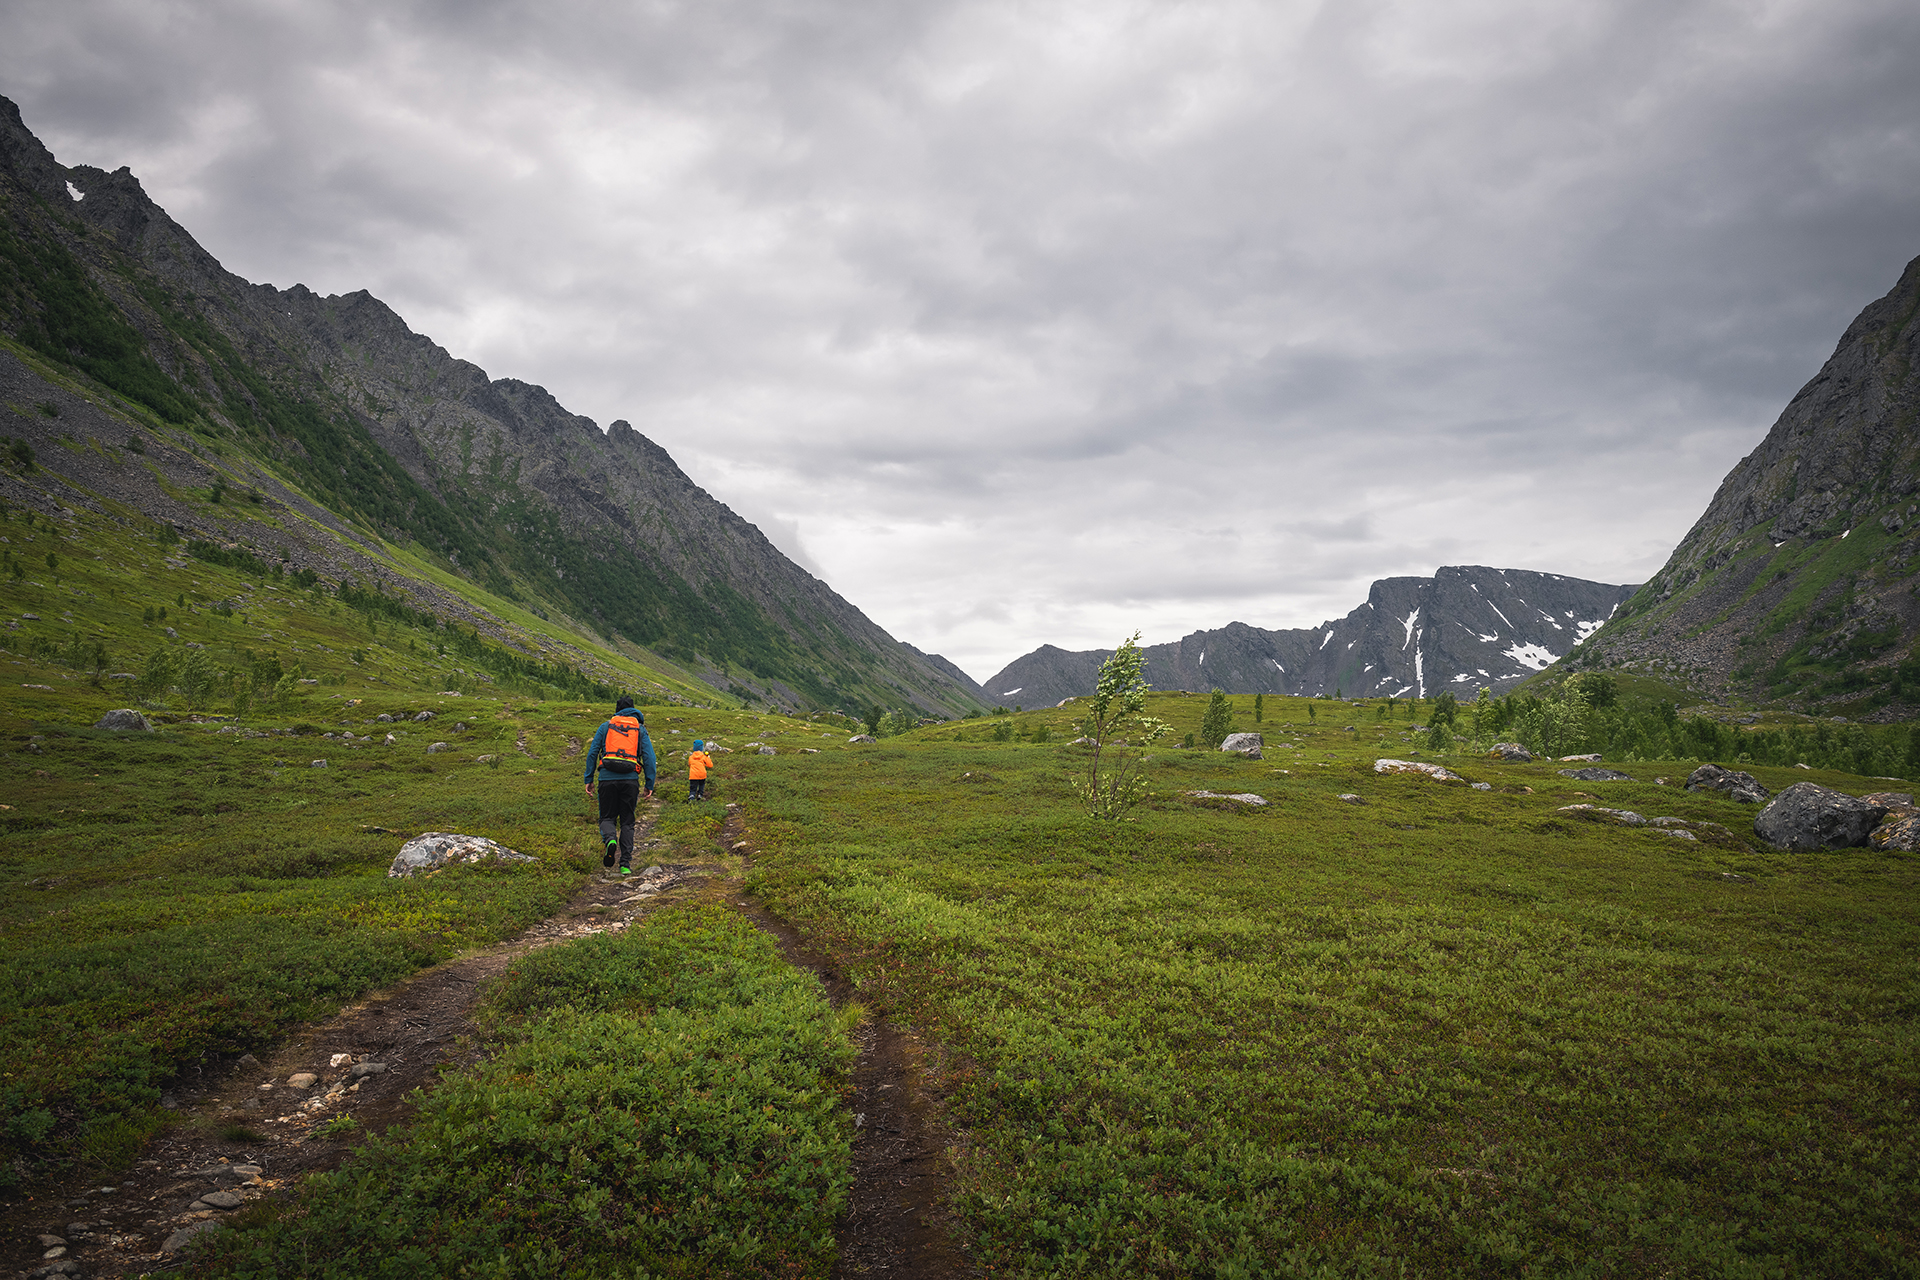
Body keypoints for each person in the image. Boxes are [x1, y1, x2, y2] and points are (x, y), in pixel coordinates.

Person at [583, 696, 656, 874]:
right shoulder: (639, 729)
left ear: (617, 710)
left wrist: (589, 779)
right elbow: (649, 758)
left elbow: (592, 753)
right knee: (627, 822)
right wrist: (649, 783)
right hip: (630, 780)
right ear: (634, 710)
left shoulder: (606, 726)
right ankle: (625, 864)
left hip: (606, 779)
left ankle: (610, 840)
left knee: (607, 818)